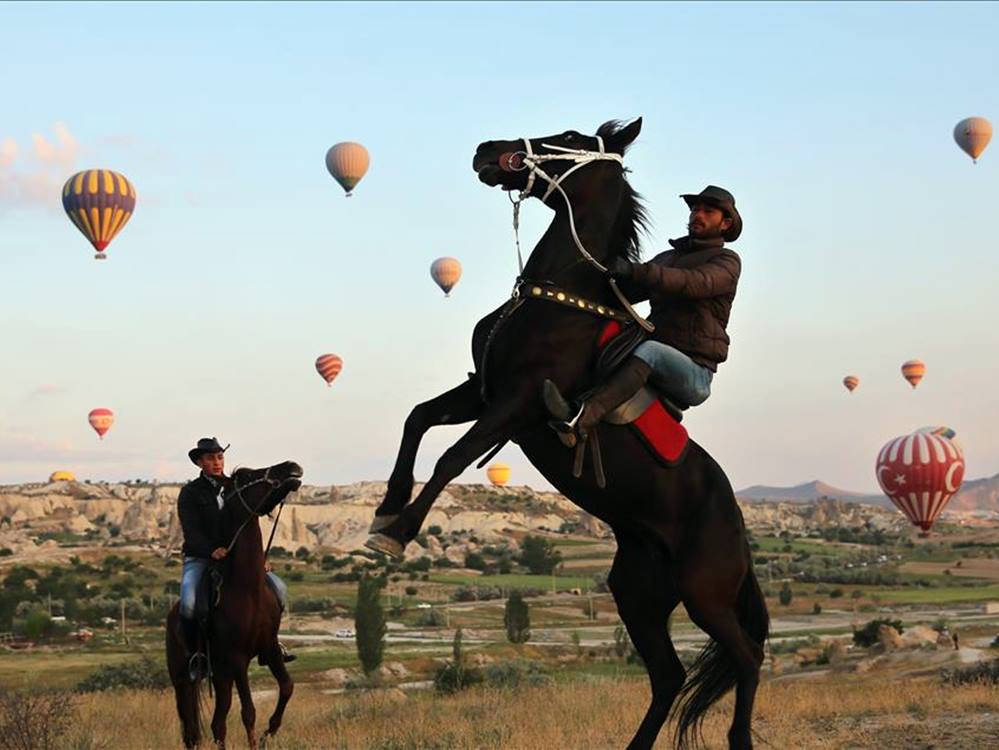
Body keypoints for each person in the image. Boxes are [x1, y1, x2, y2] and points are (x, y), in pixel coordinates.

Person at [545, 186, 742, 441]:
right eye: (695, 209)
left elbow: (695, 282)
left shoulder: (727, 261)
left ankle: (582, 417)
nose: (697, 214)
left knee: (651, 352)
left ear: (725, 223)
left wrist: (636, 270)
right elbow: (626, 291)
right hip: (652, 350)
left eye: (707, 211)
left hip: (695, 371)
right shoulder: (667, 258)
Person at [176, 437, 294, 680]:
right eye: (210, 458)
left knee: (279, 589)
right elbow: (191, 531)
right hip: (201, 557)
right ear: (199, 462)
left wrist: (284, 489)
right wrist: (210, 550)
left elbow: (259, 509)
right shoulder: (190, 493)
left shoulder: (237, 486)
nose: (217, 462)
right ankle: (197, 655)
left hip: (237, 558)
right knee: (188, 602)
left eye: (220, 457)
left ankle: (270, 644)